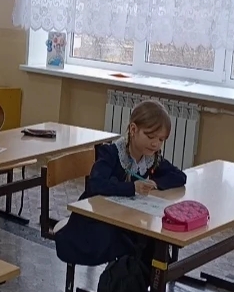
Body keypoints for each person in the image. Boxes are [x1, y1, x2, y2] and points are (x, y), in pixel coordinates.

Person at [54, 100, 187, 267]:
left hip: (125, 217)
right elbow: (96, 184)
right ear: (133, 129)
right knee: (133, 243)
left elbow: (179, 176)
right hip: (94, 219)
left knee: (150, 241)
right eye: (150, 136)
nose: (155, 144)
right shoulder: (111, 153)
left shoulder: (151, 158)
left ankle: (144, 276)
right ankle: (122, 277)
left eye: (161, 139)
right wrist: (132, 187)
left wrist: (155, 183)